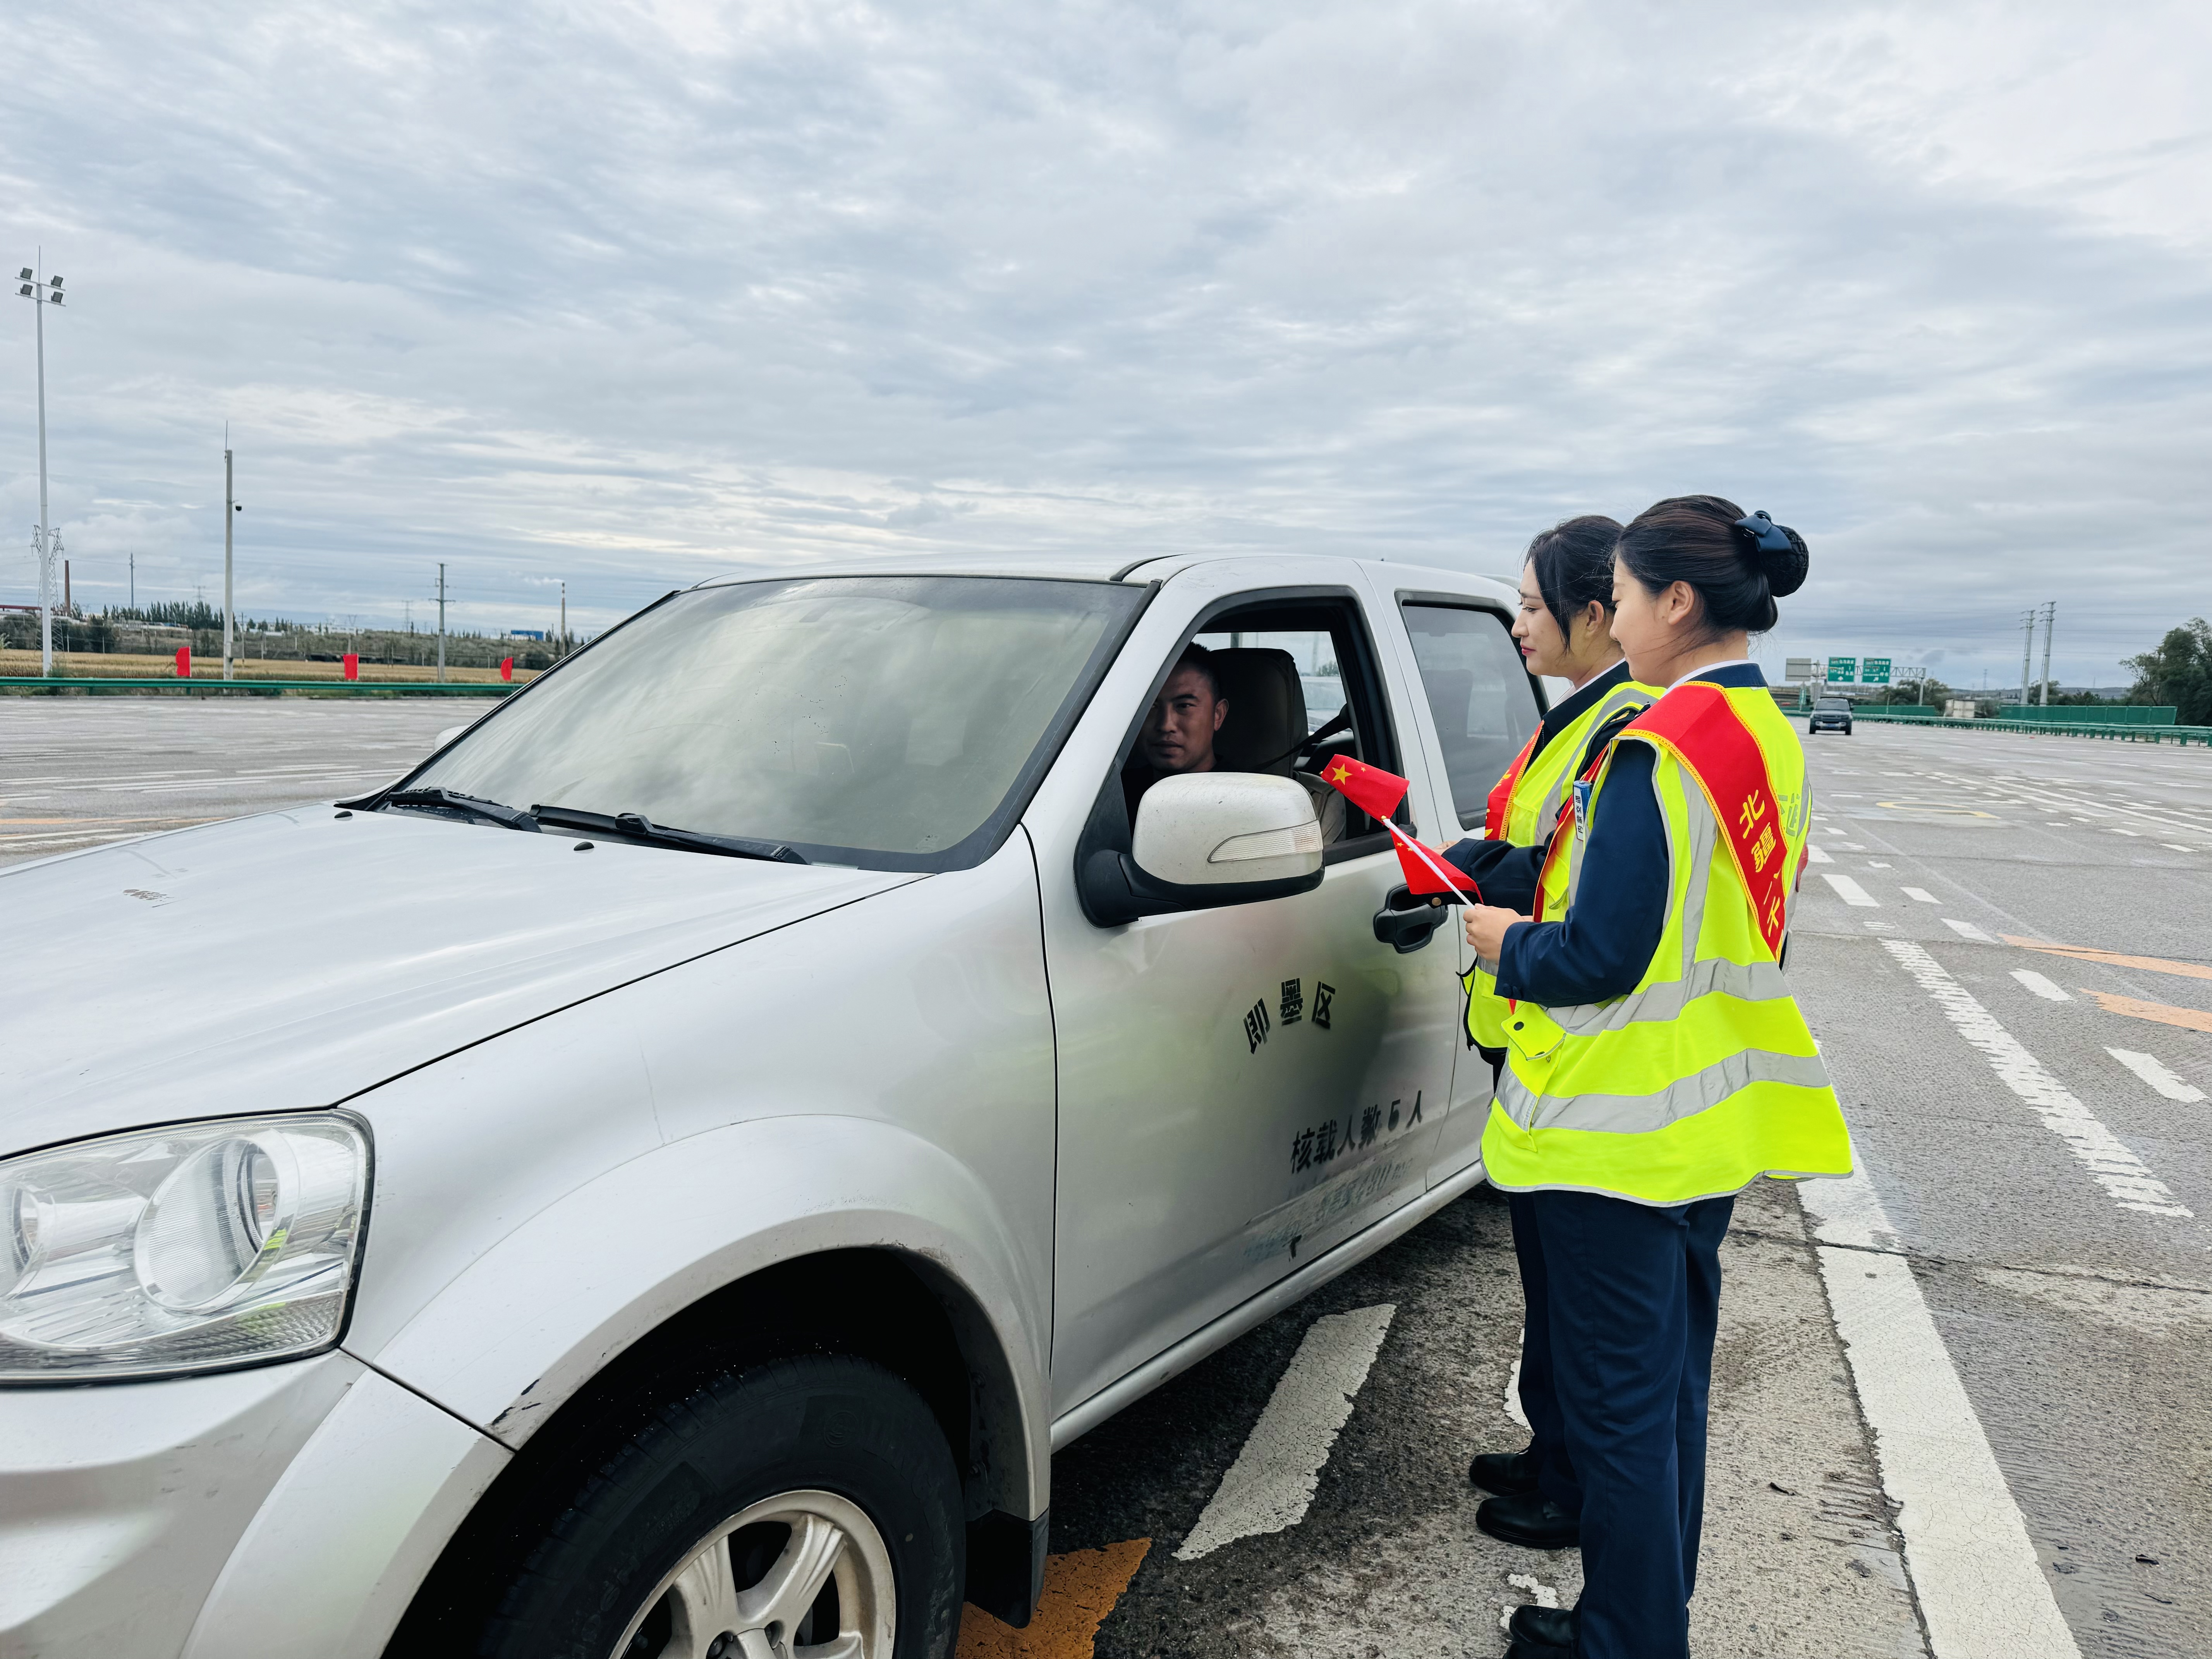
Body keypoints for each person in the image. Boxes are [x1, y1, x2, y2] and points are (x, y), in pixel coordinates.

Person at [1462, 496, 1853, 1659]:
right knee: (1666, 1400)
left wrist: (1499, 942)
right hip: (1705, 1118)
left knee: (1621, 1413)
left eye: (1623, 597)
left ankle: (1626, 1640)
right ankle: (1641, 1620)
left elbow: (1598, 953)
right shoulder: (1762, 733)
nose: (1612, 617)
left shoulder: (1658, 744)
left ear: (1676, 602)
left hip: (1616, 1129)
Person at [1442, 517, 1658, 1559]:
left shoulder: (1624, 726)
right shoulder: (1574, 715)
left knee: (1574, 1294)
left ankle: (1570, 1476)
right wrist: (1487, 858)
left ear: (1592, 614)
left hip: (1570, 1040)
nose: (1519, 624)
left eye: (1531, 605)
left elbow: (1586, 890)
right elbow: (1545, 845)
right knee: (1543, 1276)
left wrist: (1510, 887)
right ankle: (1551, 1447)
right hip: (1527, 1034)